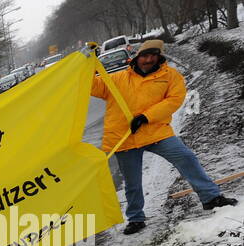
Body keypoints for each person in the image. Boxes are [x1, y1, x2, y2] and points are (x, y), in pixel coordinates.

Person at [91, 39, 236, 235]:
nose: (148, 59)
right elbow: (92, 86)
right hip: (125, 137)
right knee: (132, 182)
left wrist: (145, 117)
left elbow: (174, 101)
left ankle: (211, 197)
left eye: (153, 55)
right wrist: (89, 62)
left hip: (156, 132)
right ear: (137, 56)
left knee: (186, 158)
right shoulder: (118, 79)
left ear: (159, 57)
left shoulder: (171, 77)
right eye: (145, 55)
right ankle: (136, 218)